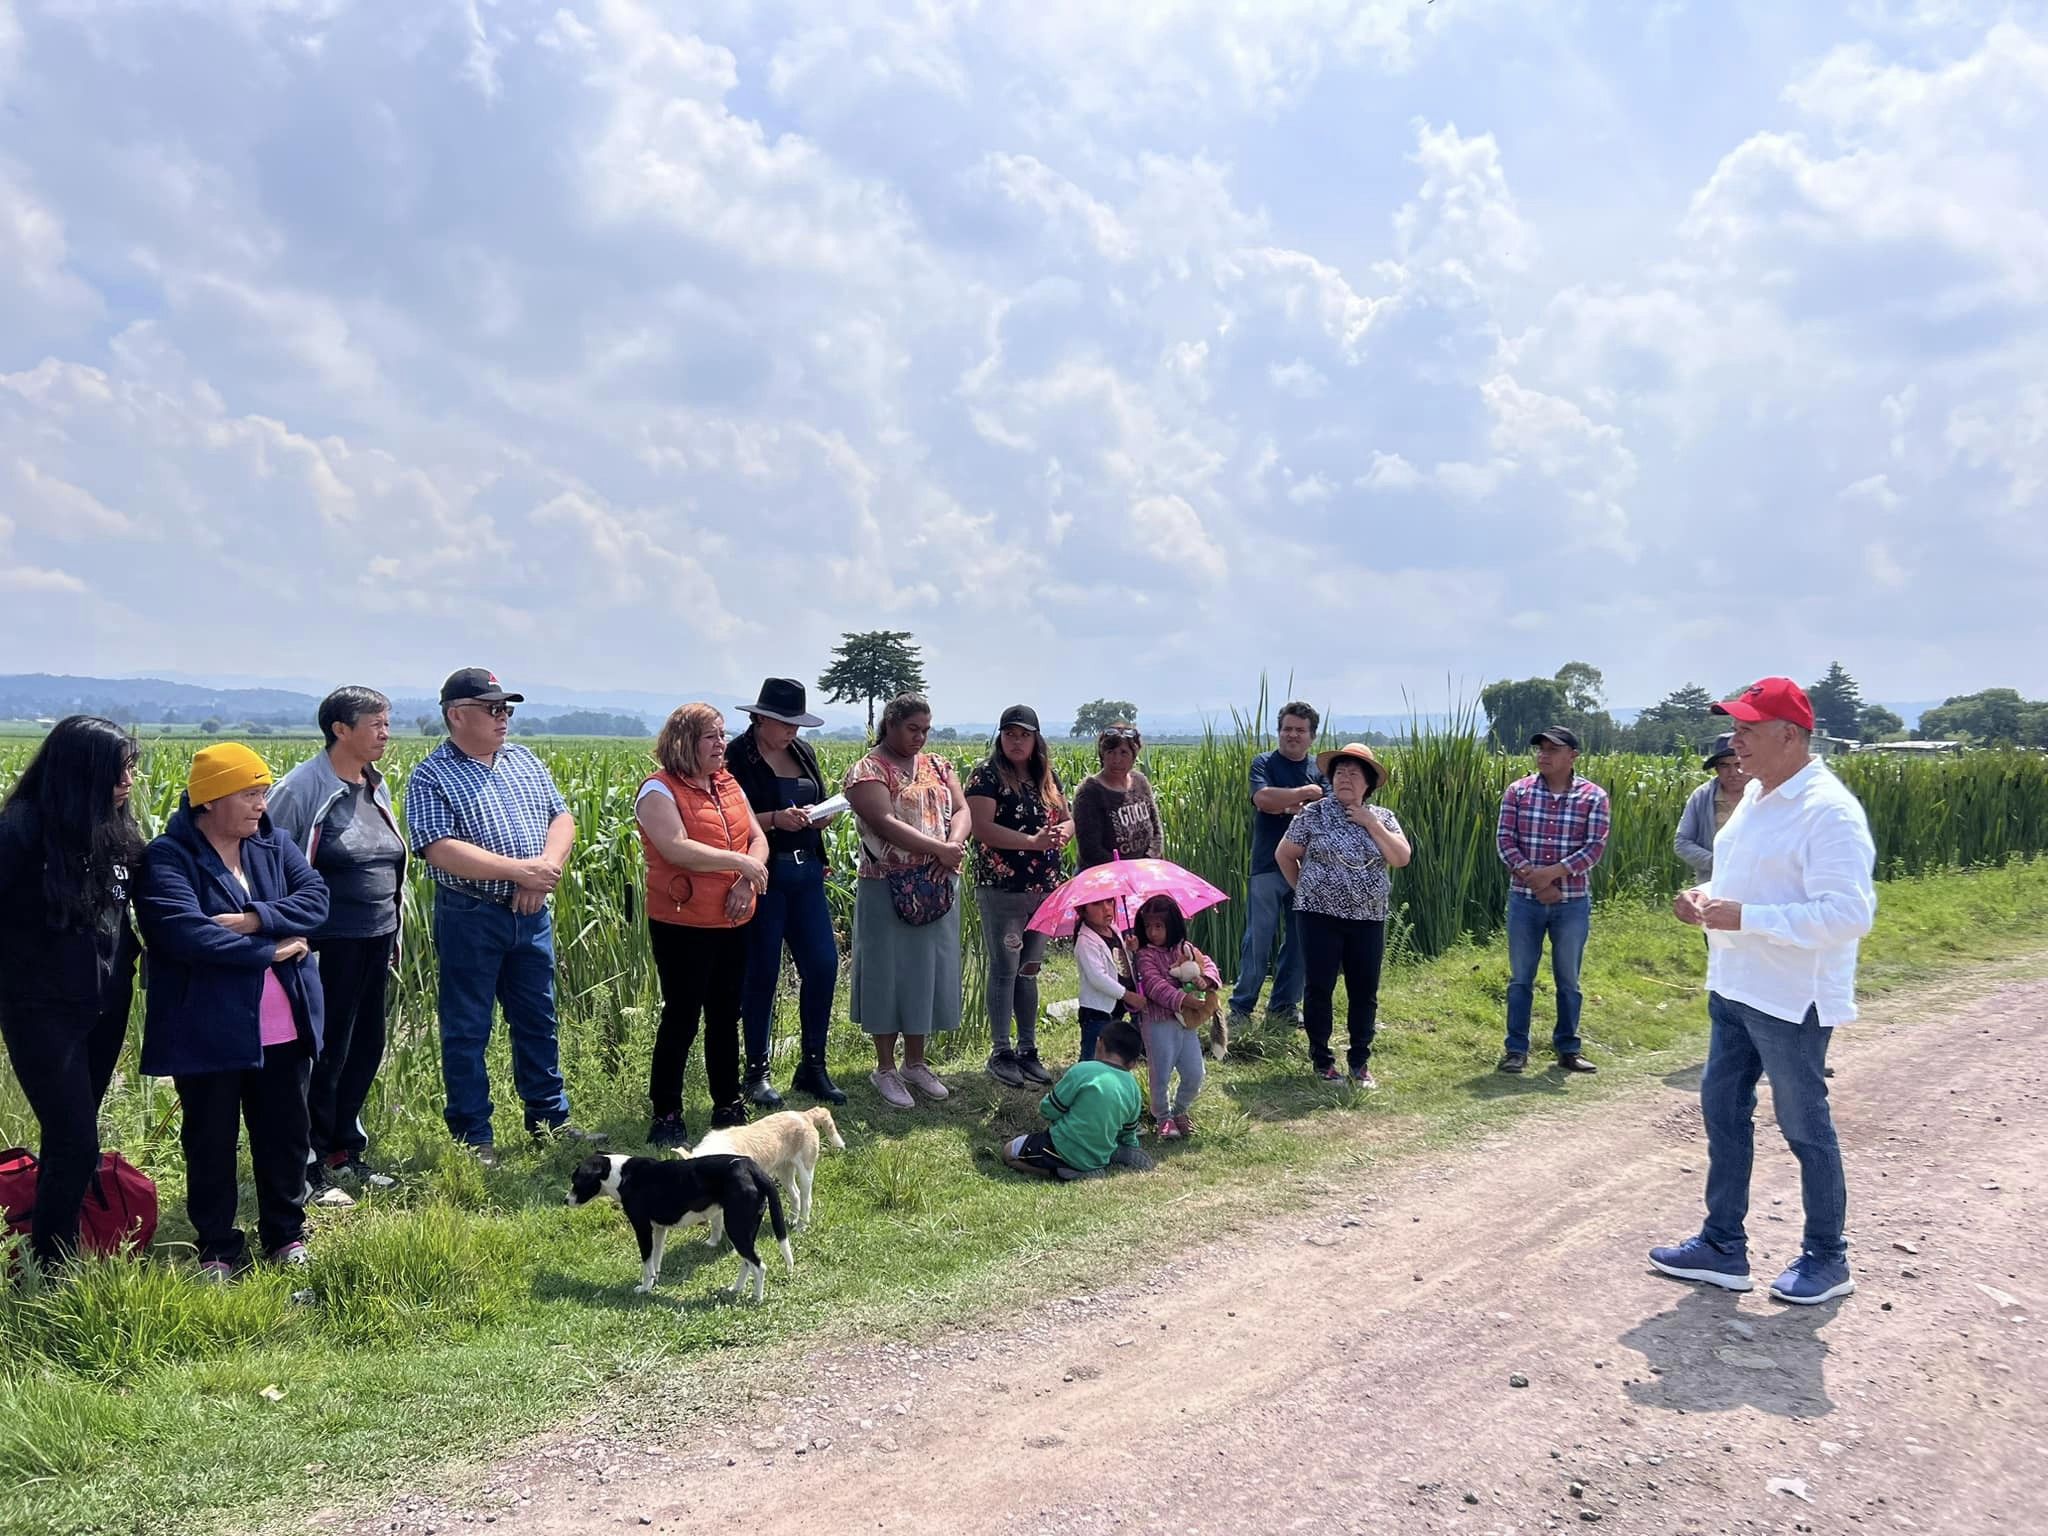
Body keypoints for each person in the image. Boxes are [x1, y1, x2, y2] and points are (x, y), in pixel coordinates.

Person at [1654, 677, 1876, 1306]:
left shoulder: (1828, 811)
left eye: (1746, 730)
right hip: (1734, 983)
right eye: (1734, 729)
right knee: (1723, 1114)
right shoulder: (1755, 794)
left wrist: (1745, 916)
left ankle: (1827, 1258)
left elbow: (1847, 915)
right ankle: (1723, 1246)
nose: (1734, 742)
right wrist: (1704, 899)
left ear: (1789, 736)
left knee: (1805, 1126)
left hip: (1790, 997)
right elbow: (1738, 877)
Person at [136, 744, 329, 1277]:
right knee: (210, 1140)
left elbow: (316, 901)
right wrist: (272, 947)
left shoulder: (273, 842)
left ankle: (286, 1237)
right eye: (249, 793)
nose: (261, 805)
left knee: (286, 1136)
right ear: (210, 799)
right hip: (207, 1028)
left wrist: (249, 919)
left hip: (284, 1026)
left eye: (263, 792)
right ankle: (218, 1247)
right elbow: (184, 933)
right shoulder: (168, 856)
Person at [403, 668, 598, 1164]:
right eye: (492, 709)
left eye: (506, 709)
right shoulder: (432, 774)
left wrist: (546, 870)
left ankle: (550, 1122)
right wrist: (520, 873)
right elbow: (439, 848)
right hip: (470, 913)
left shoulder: (523, 759)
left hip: (531, 914)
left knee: (538, 1018)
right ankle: (474, 1137)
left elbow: (561, 817)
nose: (503, 718)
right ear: (456, 715)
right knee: (467, 1027)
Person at [0, 717, 144, 1272]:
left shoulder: (117, 828)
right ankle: (53, 1269)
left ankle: (69, 1238)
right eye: (119, 767)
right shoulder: (20, 828)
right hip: (41, 1010)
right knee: (75, 1139)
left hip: (106, 1004)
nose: (129, 778)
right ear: (82, 771)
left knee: (73, 1138)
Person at [268, 687, 404, 1204]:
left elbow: (389, 860)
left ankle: (344, 1150)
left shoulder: (373, 784)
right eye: (375, 724)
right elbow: (267, 859)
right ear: (340, 729)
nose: (385, 733)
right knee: (322, 1054)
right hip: (325, 944)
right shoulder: (303, 787)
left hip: (374, 939)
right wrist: (285, 931)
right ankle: (307, 1163)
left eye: (387, 723)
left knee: (364, 1047)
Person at [635, 702, 769, 1147]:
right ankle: (667, 1112)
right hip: (683, 922)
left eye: (722, 735)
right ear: (684, 741)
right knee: (682, 1016)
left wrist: (747, 883)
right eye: (711, 736)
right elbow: (675, 848)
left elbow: (757, 837)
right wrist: (738, 864)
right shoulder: (658, 791)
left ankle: (727, 1103)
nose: (721, 744)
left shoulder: (726, 783)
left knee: (726, 1013)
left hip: (732, 917)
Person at [844, 694, 969, 1110]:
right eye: (912, 728)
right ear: (891, 725)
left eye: (925, 729)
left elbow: (963, 808)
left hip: (935, 886)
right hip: (888, 887)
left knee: (925, 972)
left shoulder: (937, 765)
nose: (920, 736)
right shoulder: (868, 770)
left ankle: (915, 1062)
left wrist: (952, 845)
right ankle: (884, 1067)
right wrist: (940, 850)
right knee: (888, 974)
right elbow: (883, 821)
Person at [727, 679, 845, 1108]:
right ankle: (755, 1072)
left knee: (823, 965)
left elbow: (815, 796)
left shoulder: (803, 753)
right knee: (761, 974)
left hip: (806, 872)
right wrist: (777, 818)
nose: (792, 731)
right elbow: (728, 818)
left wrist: (819, 821)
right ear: (760, 718)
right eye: (784, 723)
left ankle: (813, 1066)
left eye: (797, 722)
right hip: (763, 875)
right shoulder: (736, 757)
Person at [1275, 743, 1411, 1090]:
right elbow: (1285, 855)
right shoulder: (1314, 814)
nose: (1345, 778)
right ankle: (1322, 1060)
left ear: (1367, 783)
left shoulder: (1383, 817)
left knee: (1363, 989)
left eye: (1353, 773)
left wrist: (1371, 824)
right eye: (1339, 772)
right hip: (1318, 914)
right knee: (1319, 986)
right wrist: (1304, 889)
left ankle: (1360, 1061)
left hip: (1368, 917)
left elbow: (1401, 858)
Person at [966, 705, 1073, 1088]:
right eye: (1009, 734)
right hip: (1003, 888)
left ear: (1035, 739)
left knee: (1029, 970)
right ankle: (1001, 1051)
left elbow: (1066, 817)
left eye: (1023, 734)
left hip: (1043, 888)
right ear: (1000, 737)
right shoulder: (986, 774)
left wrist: (1064, 833)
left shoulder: (1046, 776)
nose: (1016, 741)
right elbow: (981, 827)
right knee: (1005, 969)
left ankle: (1028, 1049)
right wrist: (1032, 842)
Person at [1495, 726, 1610, 1076]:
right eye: (1540, 749)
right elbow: (1505, 841)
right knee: (1520, 978)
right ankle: (1516, 1049)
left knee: (1568, 979)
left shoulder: (1593, 797)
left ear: (1573, 756)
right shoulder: (1519, 791)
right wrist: (1536, 877)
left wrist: (1552, 873)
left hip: (1572, 903)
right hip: (1525, 901)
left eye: (1553, 750)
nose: (1543, 755)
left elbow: (1593, 849)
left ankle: (1568, 1048)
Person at [1226, 702, 1327, 1042]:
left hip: (1309, 868)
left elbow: (1323, 809)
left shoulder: (1321, 769)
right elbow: (1263, 799)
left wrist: (1288, 805)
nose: (1292, 735)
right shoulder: (1264, 763)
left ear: (1312, 736)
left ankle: (1284, 1005)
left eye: (1300, 730)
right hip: (1267, 865)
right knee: (1258, 939)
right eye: (1287, 728)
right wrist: (1301, 798)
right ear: (1279, 731)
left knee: (1300, 942)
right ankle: (1241, 1007)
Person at [1000, 1018, 1146, 1180]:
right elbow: (1129, 1129)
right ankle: (1114, 1152)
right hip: (1099, 1155)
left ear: (1099, 1044)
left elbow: (1049, 1109)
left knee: (1009, 1152)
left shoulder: (1082, 1070)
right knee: (1108, 1141)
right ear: (1133, 1063)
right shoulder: (1133, 1087)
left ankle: (1065, 1173)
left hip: (1062, 1148)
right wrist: (1131, 1145)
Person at [1131, 895, 1220, 1139]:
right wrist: (1185, 1001)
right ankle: (1163, 1117)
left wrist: (1207, 980)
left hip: (1186, 1023)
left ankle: (1180, 1110)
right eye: (1147, 926)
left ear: (1172, 925)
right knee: (1160, 1072)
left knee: (1195, 1072)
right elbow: (1154, 985)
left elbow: (1208, 964)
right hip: (1158, 1021)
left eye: (1158, 926)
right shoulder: (1144, 956)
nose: (1152, 932)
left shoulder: (1185, 948)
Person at [1071, 723, 1163, 870]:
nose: (1116, 760)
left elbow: (1156, 833)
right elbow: (1090, 850)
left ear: (1134, 755)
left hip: (1144, 873)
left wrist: (1148, 861)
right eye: (1111, 752)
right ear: (1102, 755)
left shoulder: (1140, 783)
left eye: (1123, 753)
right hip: (1104, 878)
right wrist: (1126, 871)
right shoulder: (1090, 792)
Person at [1073, 895, 1144, 1066]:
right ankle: (1083, 1082)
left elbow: (1118, 960)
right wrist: (1127, 995)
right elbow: (1097, 977)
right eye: (1096, 903)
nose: (1106, 908)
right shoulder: (1085, 941)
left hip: (1116, 1006)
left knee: (1112, 1050)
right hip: (1097, 1009)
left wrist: (1131, 949)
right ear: (1083, 910)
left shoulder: (1113, 929)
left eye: (1109, 901)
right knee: (1092, 1055)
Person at [1675, 733, 1745, 880]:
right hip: (1713, 883)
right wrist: (1714, 862)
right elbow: (1682, 842)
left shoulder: (1765, 795)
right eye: (1725, 765)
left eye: (1738, 764)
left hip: (1758, 886)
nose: (1733, 772)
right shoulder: (1701, 797)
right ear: (1716, 769)